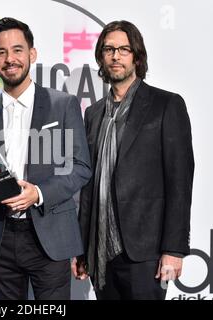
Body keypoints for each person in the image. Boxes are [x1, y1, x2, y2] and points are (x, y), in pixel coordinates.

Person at [0, 17, 91, 300]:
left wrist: (38, 193)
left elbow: (81, 167)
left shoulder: (63, 104)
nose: (10, 59)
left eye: (17, 50)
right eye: (1, 52)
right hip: (0, 239)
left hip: (49, 236)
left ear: (32, 54)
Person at [72, 20, 194, 300]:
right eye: (109, 49)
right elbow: (88, 187)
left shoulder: (166, 105)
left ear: (137, 56)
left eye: (124, 49)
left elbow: (179, 182)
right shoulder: (93, 113)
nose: (116, 56)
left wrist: (173, 249)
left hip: (145, 254)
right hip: (100, 251)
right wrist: (82, 247)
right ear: (101, 57)